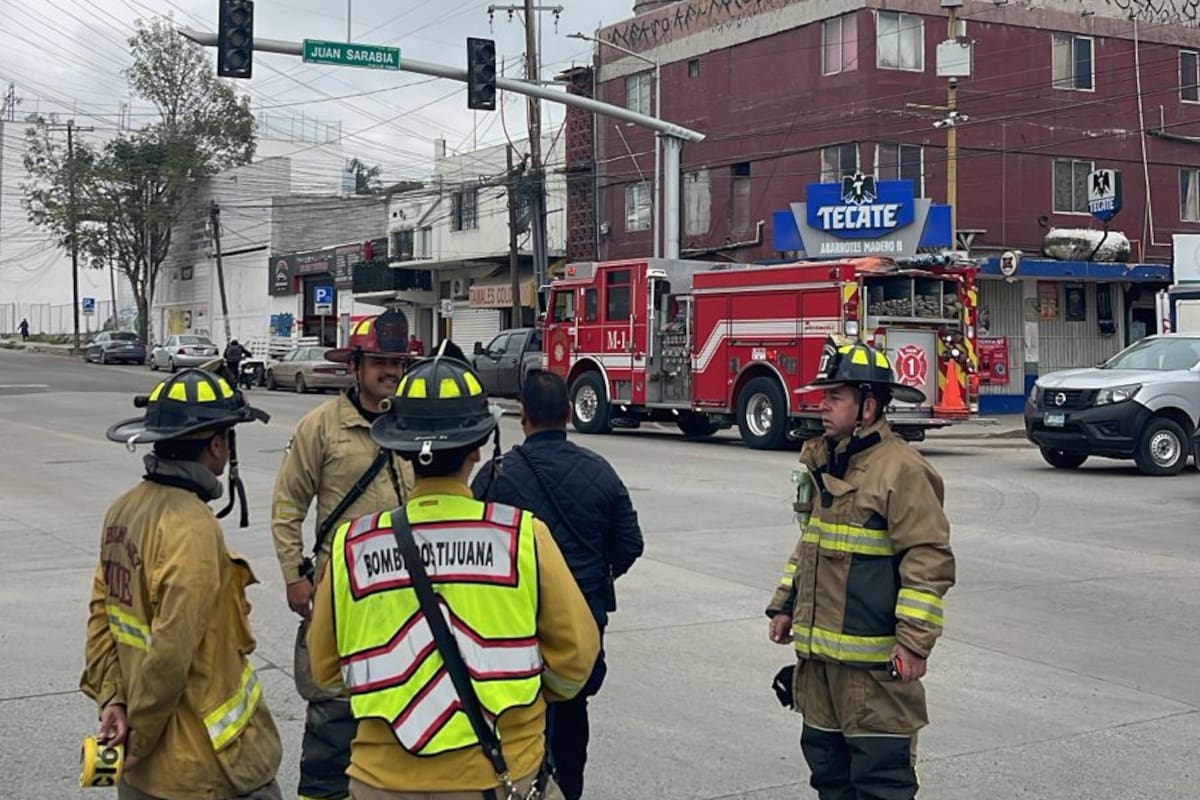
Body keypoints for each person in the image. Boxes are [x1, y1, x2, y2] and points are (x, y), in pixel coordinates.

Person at [307, 355, 600, 799]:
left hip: (381, 782)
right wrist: (520, 698)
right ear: (477, 448)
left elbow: (327, 671)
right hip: (499, 776)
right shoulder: (522, 537)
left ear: (401, 450)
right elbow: (576, 659)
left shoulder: (352, 546)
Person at [766, 336, 955, 800]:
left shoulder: (901, 469)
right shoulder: (828, 460)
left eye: (835, 397)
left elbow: (927, 559)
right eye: (823, 396)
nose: (823, 406)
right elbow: (812, 543)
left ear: (868, 406)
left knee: (880, 786)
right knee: (830, 780)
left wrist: (913, 642)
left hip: (873, 674)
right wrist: (785, 604)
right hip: (820, 668)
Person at [81, 368, 282, 800]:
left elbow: (102, 617)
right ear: (217, 445)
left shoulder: (122, 511)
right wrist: (140, 740)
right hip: (205, 771)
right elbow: (171, 652)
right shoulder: (193, 527)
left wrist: (113, 699)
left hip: (143, 777)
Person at [472, 370, 643, 800]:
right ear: (568, 413)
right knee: (572, 711)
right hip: (581, 622)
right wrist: (594, 580)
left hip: (513, 623)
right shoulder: (600, 470)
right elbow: (630, 544)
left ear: (523, 415)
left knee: (515, 715)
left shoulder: (496, 475)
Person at [271, 310, 417, 800]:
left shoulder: (414, 424)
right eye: (380, 362)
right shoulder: (321, 427)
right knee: (334, 715)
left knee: (402, 711)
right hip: (342, 595)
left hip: (407, 596)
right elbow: (288, 505)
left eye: (397, 362)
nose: (391, 372)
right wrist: (294, 576)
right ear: (355, 366)